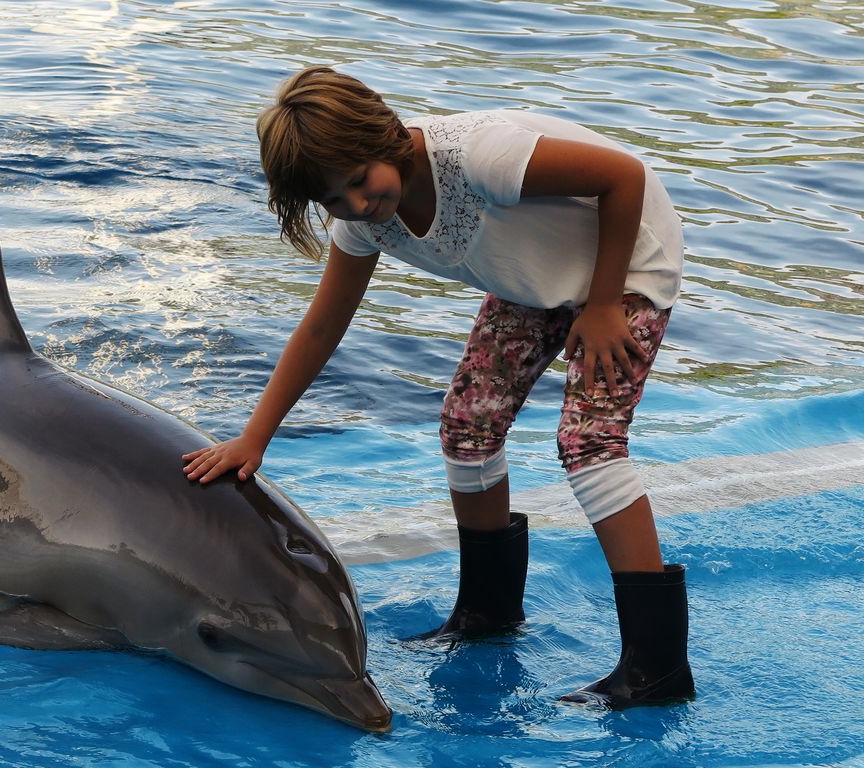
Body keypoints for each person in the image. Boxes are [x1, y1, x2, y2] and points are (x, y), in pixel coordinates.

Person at [181, 65, 694, 709]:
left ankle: (657, 667)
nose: (357, 206)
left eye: (361, 182)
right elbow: (320, 328)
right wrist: (254, 438)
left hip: (626, 262)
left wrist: (600, 306)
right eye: (333, 201)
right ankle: (488, 613)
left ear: (384, 135)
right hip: (535, 279)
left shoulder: (483, 158)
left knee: (588, 442)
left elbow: (624, 177)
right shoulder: (363, 222)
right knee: (467, 427)